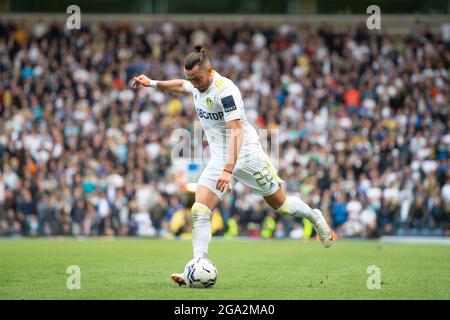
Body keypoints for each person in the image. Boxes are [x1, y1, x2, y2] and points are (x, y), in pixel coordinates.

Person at [132, 45, 333, 286]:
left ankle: (314, 216)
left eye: (197, 78)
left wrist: (229, 170)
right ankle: (198, 267)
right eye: (191, 79)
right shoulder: (196, 85)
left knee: (282, 205)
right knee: (199, 210)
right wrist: (152, 83)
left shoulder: (225, 92)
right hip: (219, 157)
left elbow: (236, 132)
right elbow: (180, 86)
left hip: (247, 155)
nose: (193, 84)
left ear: (210, 71)